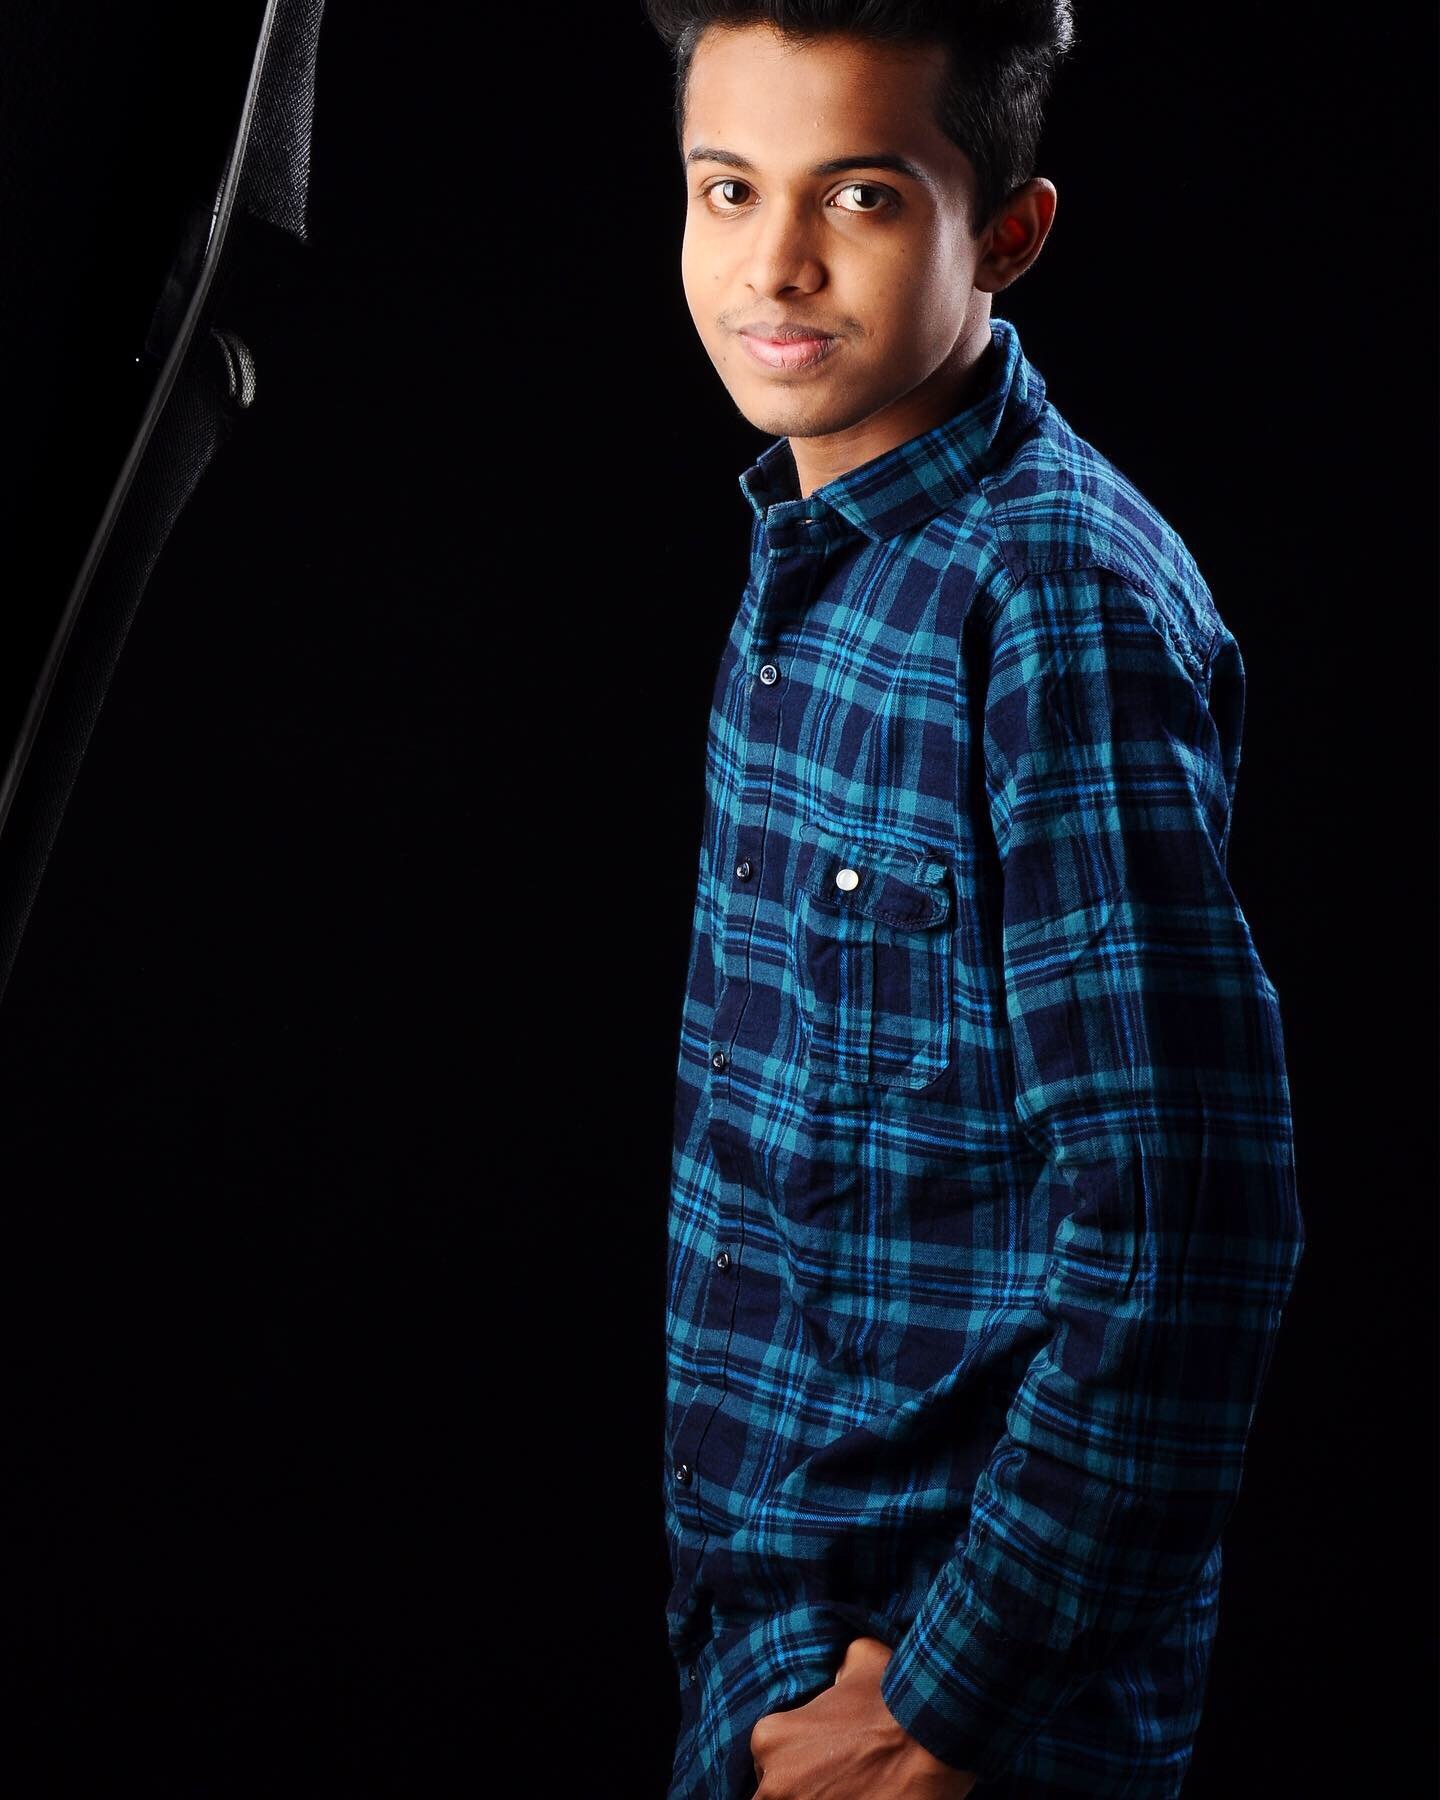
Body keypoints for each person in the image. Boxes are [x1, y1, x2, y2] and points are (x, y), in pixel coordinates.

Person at [645, 5, 1307, 1795]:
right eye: (728, 189)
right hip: (766, 1642)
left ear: (1005, 233)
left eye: (858, 195)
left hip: (961, 1707)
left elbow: (1190, 1226)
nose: (774, 264)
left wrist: (949, 1696)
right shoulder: (812, 556)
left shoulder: (1053, 604)